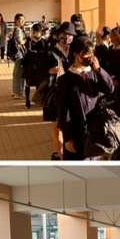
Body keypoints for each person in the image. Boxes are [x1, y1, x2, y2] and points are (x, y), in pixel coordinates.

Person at [55, 36, 114, 160]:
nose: (90, 57)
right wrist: (68, 138)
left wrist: (99, 70)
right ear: (76, 54)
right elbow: (64, 111)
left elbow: (110, 89)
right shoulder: (65, 80)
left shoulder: (94, 73)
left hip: (95, 131)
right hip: (76, 132)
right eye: (86, 54)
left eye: (92, 53)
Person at [43, 21, 76, 160]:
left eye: (70, 35)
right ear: (59, 35)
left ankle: (68, 152)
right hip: (55, 92)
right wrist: (50, 70)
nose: (67, 38)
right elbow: (41, 70)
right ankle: (60, 153)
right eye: (65, 34)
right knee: (56, 126)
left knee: (69, 124)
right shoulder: (50, 51)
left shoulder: (74, 51)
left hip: (72, 93)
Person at [11, 13, 27, 99]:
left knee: (16, 73)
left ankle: (15, 91)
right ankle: (19, 92)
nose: (22, 21)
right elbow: (20, 42)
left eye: (23, 20)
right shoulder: (18, 30)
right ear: (16, 21)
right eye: (20, 20)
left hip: (17, 54)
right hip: (20, 54)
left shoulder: (16, 29)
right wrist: (26, 40)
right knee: (19, 74)